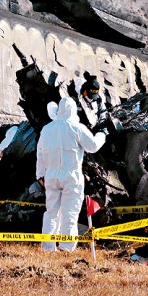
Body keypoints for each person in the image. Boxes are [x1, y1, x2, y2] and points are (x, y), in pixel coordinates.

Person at [36, 97, 107, 252]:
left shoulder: (46, 129)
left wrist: (40, 175)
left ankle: (47, 247)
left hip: (51, 175)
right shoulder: (77, 127)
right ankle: (66, 248)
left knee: (51, 212)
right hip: (71, 176)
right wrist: (102, 134)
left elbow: (40, 153)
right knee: (70, 213)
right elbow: (93, 146)